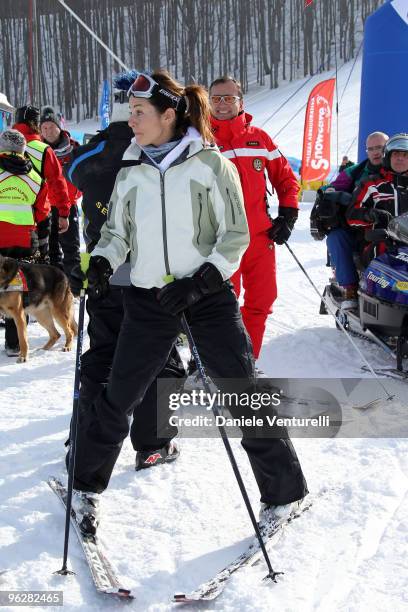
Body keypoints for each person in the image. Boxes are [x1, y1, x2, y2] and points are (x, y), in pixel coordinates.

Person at [70, 70, 308, 536]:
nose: (131, 120)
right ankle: (85, 487)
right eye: (130, 111)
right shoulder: (132, 169)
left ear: (168, 114)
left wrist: (200, 282)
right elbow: (118, 233)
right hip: (147, 299)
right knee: (118, 396)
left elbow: (235, 236)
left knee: (241, 392)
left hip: (206, 297)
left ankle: (285, 494)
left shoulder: (210, 165)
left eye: (140, 113)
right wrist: (101, 261)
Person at [65, 70, 185, 470]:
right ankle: (149, 443)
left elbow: (75, 171)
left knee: (106, 354)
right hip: (134, 272)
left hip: (123, 273)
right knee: (160, 358)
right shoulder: (153, 146)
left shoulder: (103, 151)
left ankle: (88, 439)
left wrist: (109, 138)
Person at [209, 76, 300, 359]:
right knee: (221, 305)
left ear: (241, 101)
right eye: (216, 98)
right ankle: (219, 367)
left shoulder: (259, 138)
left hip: (260, 237)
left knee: (261, 301)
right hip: (219, 240)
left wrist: (288, 213)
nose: (222, 104)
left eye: (229, 98)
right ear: (208, 102)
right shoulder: (199, 139)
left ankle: (248, 363)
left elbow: (286, 178)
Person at [323, 131, 389, 308]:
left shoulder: (399, 169)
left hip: (397, 229)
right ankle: (350, 289)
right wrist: (334, 194)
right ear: (366, 151)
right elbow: (331, 188)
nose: (376, 152)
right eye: (371, 149)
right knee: (336, 238)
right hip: (360, 229)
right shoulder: (356, 171)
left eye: (380, 148)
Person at [0, 129, 50, 355]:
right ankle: (13, 343)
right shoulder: (35, 178)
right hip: (25, 239)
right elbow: (42, 212)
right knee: (17, 289)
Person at [13, 105, 70, 235]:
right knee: (42, 254)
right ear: (36, 124)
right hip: (37, 217)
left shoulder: (2, 146)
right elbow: (57, 183)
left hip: (4, 219)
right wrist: (64, 213)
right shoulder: (43, 149)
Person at [40, 106, 81, 281]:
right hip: (45, 207)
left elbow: (83, 176)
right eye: (44, 127)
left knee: (71, 249)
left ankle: (74, 286)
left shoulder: (74, 148)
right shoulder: (38, 150)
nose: (48, 131)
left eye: (52, 126)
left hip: (68, 206)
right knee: (49, 250)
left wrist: (73, 196)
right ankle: (53, 289)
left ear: (60, 127)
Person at [347, 133, 408, 234]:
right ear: (388, 157)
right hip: (380, 243)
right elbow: (351, 215)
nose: (400, 158)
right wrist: (370, 215)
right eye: (396, 154)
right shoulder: (371, 184)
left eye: (405, 155)